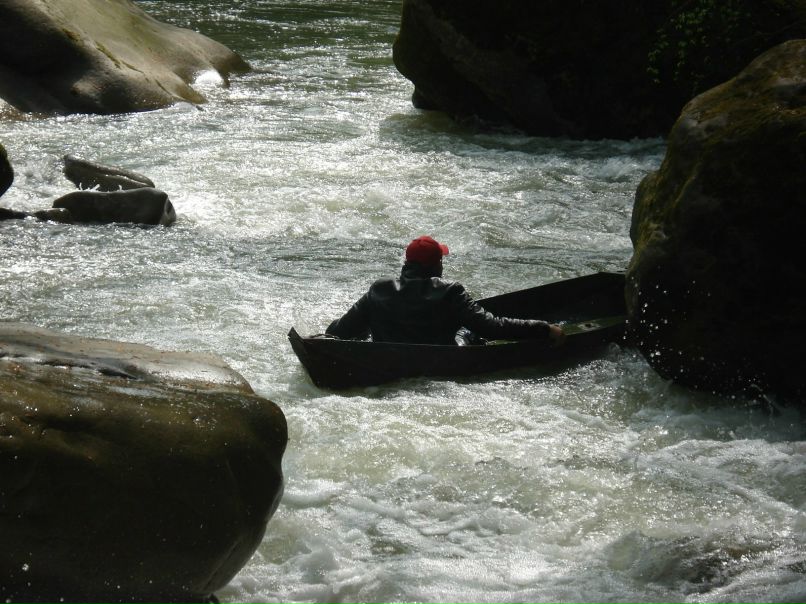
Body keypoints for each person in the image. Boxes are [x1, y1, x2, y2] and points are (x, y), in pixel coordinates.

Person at [326, 235, 565, 346]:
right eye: (441, 260)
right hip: (437, 360)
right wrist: (543, 328)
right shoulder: (450, 291)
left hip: (390, 357)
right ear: (435, 265)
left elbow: (339, 330)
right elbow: (491, 327)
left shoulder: (379, 289)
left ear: (407, 263)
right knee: (469, 332)